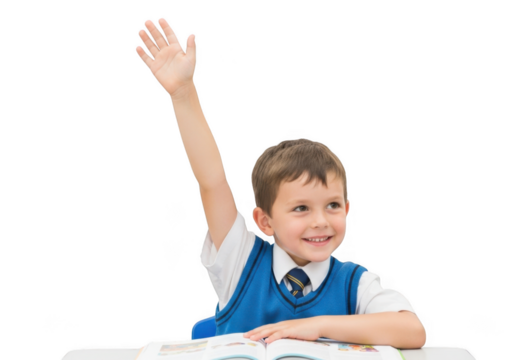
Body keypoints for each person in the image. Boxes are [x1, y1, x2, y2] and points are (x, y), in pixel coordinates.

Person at [135, 17, 427, 349]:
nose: (320, 220)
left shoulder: (355, 284)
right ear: (264, 220)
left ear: (347, 209)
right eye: (301, 208)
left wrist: (314, 326)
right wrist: (183, 93)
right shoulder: (240, 261)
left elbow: (413, 331)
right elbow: (212, 181)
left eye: (332, 205)